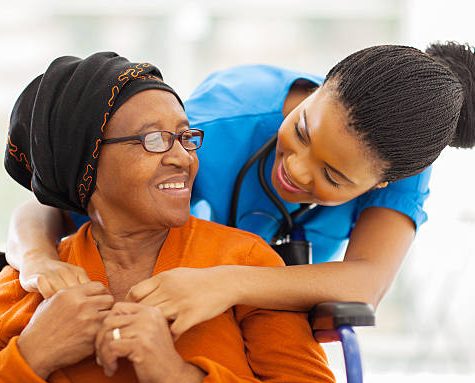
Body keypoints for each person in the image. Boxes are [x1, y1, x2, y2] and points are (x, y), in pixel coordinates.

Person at [6, 42, 475, 338]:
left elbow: (365, 282)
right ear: (317, 90)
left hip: (255, 328)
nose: (294, 169)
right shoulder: (217, 126)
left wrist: (225, 282)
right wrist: (38, 260)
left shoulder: (401, 161)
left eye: (333, 177)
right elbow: (49, 206)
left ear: (382, 182)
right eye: (303, 132)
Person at [0, 52, 343, 383]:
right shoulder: (27, 283)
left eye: (184, 137)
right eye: (153, 140)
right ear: (85, 162)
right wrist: (32, 355)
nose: (183, 157)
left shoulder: (246, 260)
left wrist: (180, 380)